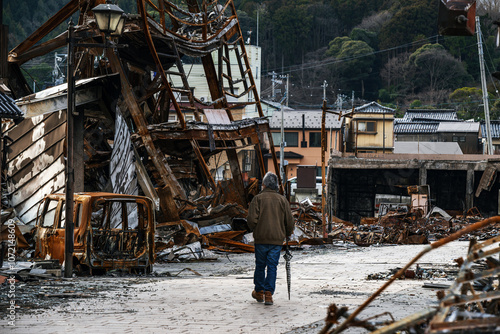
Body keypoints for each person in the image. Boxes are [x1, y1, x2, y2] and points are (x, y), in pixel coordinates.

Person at [247, 172, 294, 305]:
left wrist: (255, 228)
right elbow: (289, 221)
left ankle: (259, 291)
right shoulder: (282, 200)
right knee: (272, 266)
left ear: (264, 185)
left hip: (261, 239)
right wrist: (288, 233)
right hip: (276, 240)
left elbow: (251, 220)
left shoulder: (258, 199)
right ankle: (268, 294)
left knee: (260, 265)